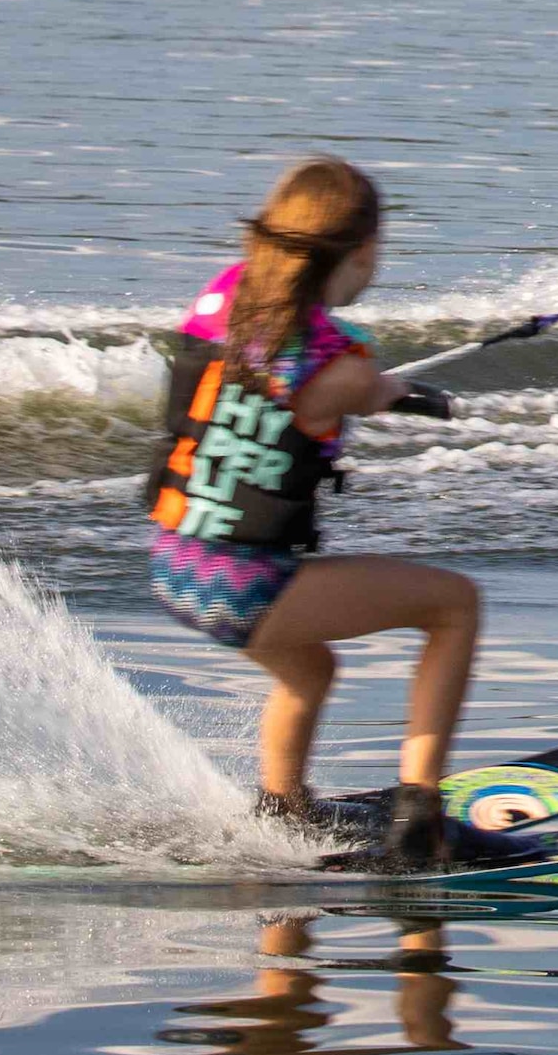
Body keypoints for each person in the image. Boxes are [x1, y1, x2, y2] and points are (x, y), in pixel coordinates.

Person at [148, 158, 475, 862]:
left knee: (310, 669)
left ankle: (283, 807)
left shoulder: (222, 301)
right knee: (455, 604)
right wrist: (397, 390)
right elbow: (356, 387)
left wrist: (380, 387)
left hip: (174, 563)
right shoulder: (346, 369)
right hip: (246, 585)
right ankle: (418, 821)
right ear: (362, 252)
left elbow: (287, 370)